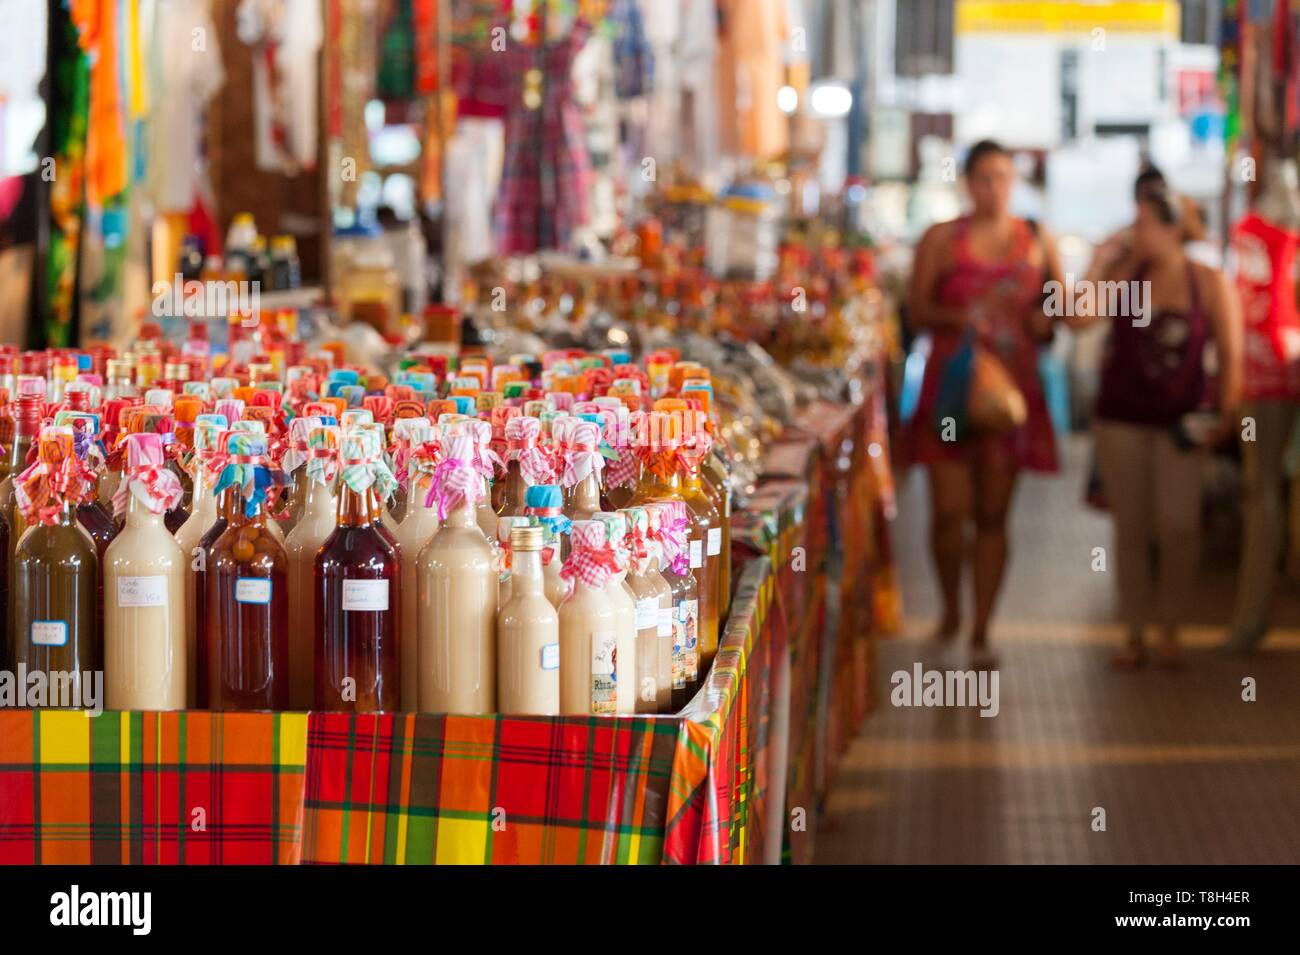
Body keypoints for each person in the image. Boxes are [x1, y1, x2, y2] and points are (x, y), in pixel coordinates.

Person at [1069, 187, 1242, 669]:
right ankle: (1134, 631)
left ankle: (1170, 624)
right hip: (1122, 418)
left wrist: (1227, 416)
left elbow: (1231, 353)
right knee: (1132, 527)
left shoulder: (1207, 282)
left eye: (1144, 223)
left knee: (1180, 525)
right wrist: (1100, 262)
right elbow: (1078, 319)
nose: (1136, 231)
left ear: (1172, 229)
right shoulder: (1126, 277)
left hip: (1181, 422)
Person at [907, 139, 1064, 669]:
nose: (994, 188)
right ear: (968, 182)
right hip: (951, 389)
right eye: (984, 178)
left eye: (1003, 177)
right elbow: (916, 309)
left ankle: (981, 627)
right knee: (949, 512)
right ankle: (951, 604)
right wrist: (961, 319)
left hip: (1009, 395)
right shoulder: (941, 239)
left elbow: (1053, 307)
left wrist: (1045, 324)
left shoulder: (1037, 239)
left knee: (994, 514)